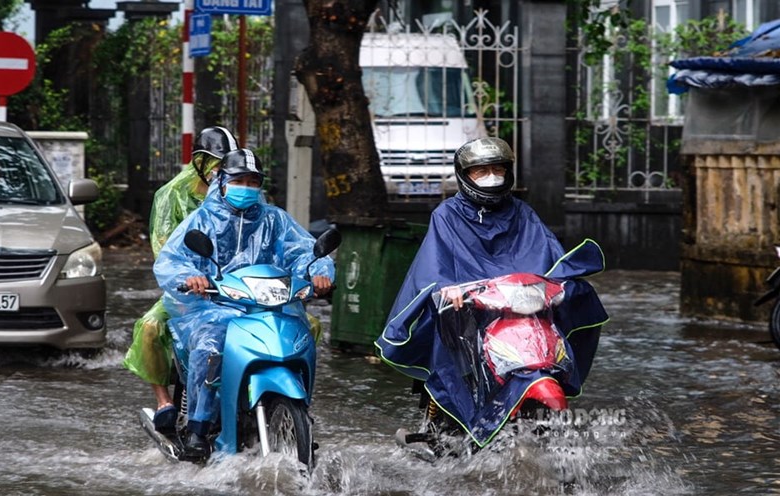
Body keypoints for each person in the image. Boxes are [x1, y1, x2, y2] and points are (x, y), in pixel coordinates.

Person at [374, 137, 608, 444]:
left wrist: (564, 280)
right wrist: (448, 289)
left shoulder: (523, 214)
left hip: (518, 306)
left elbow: (549, 255)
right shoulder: (447, 215)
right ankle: (442, 423)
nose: (491, 176)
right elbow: (435, 262)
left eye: (497, 168)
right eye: (481, 171)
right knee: (445, 344)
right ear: (464, 175)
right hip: (469, 309)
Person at [153, 148, 335, 459]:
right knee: (211, 346)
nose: (246, 188)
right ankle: (199, 428)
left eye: (254, 182)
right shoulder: (202, 220)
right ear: (222, 182)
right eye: (240, 180)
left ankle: (298, 415)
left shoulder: (274, 219)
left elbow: (303, 251)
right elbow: (172, 260)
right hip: (213, 305)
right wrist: (193, 277)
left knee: (300, 336)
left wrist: (318, 271)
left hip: (267, 303)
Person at [123, 126, 238, 433]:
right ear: (199, 161)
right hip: (190, 291)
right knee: (149, 328)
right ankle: (164, 402)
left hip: (240, 288)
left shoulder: (240, 190)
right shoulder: (171, 195)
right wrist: (190, 276)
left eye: (224, 163)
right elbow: (165, 250)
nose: (219, 170)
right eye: (214, 162)